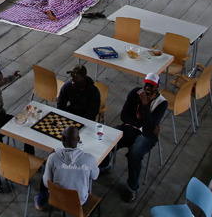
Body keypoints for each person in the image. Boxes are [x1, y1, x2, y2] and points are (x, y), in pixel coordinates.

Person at [101, 72, 167, 202]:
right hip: (131, 128)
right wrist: (140, 125)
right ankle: (104, 165)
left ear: (157, 88)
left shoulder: (162, 103)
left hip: (147, 136)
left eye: (152, 86)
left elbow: (149, 127)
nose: (148, 88)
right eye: (146, 84)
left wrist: (144, 104)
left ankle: (132, 188)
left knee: (135, 153)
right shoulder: (134, 93)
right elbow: (124, 115)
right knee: (107, 137)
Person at [34, 125, 99, 211]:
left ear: (62, 139)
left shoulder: (53, 157)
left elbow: (47, 183)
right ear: (78, 139)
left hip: (57, 200)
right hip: (80, 202)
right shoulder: (89, 159)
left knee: (44, 179)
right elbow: (95, 176)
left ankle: (39, 203)